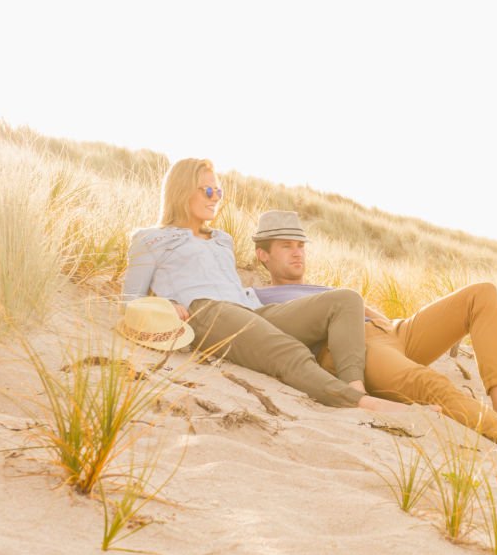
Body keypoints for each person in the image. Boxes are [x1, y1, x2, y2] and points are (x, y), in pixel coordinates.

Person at [252, 210, 497, 464]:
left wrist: (415, 327)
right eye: (286, 246)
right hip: (358, 350)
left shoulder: (322, 289)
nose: (297, 253)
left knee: (481, 294)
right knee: (431, 383)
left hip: (395, 331)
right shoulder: (261, 300)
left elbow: (361, 306)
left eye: (300, 245)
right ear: (262, 254)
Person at [121, 158, 414, 414]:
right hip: (206, 313)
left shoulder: (222, 239)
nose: (215, 198)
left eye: (218, 191)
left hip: (250, 308)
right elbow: (129, 300)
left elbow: (230, 287)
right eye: (208, 191)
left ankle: (355, 386)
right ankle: (359, 403)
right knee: (286, 349)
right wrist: (168, 305)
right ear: (182, 191)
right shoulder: (150, 239)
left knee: (345, 300)